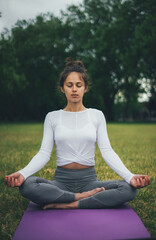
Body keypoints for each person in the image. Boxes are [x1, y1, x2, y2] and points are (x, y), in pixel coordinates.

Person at [4, 59, 150, 210]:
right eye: (69, 85)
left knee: (128, 189)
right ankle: (81, 197)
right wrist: (22, 173)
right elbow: (44, 153)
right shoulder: (52, 117)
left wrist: (130, 176)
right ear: (62, 88)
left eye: (78, 85)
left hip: (89, 182)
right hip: (61, 182)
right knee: (27, 185)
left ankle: (71, 204)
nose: (74, 89)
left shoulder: (97, 115)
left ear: (85, 88)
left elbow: (107, 151)